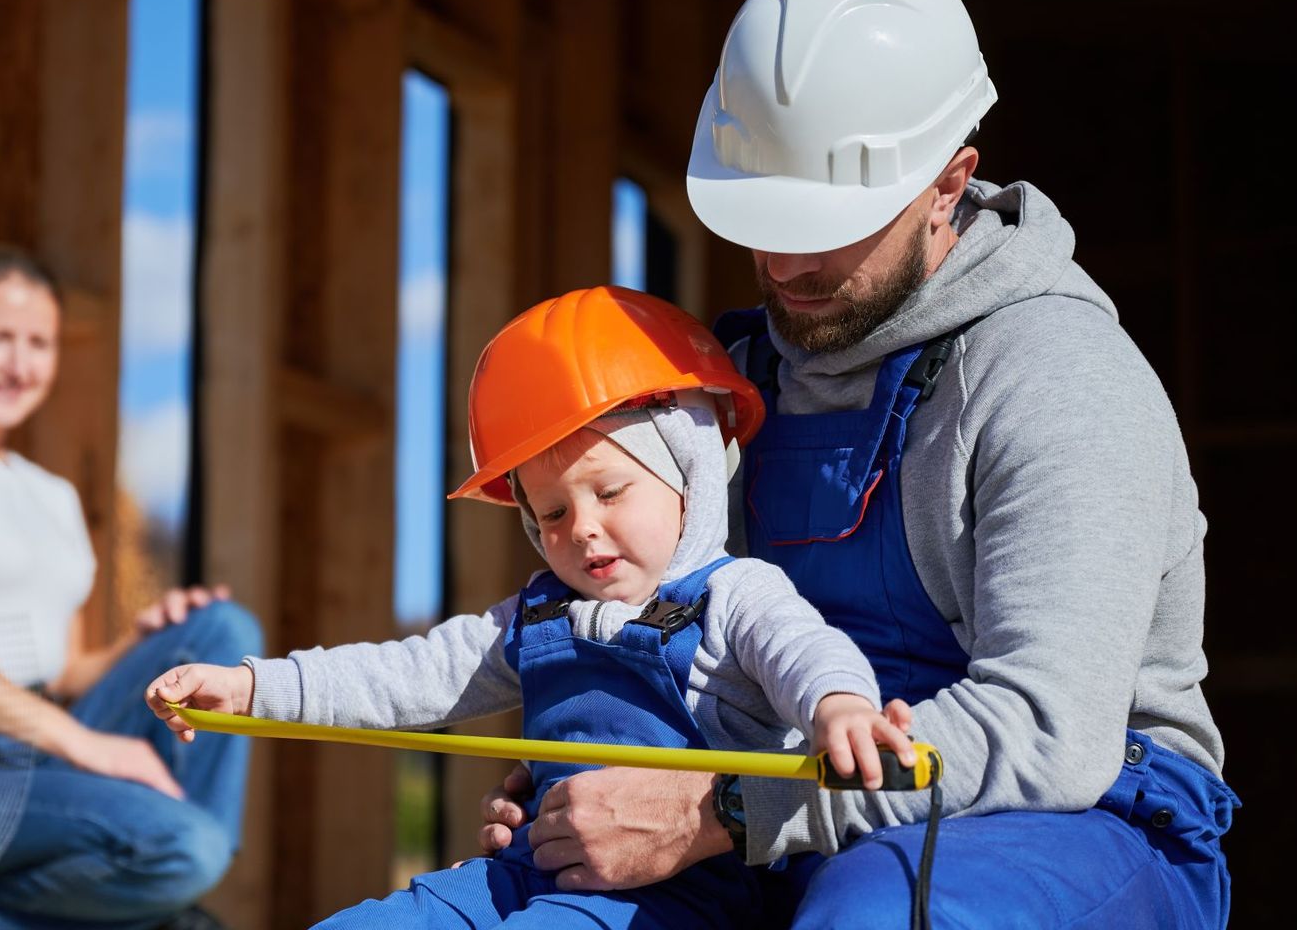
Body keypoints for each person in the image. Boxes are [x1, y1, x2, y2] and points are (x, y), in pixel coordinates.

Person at [475, 0, 1238, 927]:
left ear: (948, 184)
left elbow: (1048, 730)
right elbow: (669, 631)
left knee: (876, 910)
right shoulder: (725, 384)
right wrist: (587, 767)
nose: (786, 267)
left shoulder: (1056, 374)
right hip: (787, 815)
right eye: (763, 222)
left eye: (825, 229)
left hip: (1076, 825)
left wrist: (715, 809)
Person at [148, 287, 921, 927]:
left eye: (610, 492)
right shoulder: (534, 614)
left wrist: (839, 708)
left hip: (675, 899)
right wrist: (252, 689)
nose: (580, 528)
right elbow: (402, 677)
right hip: (528, 871)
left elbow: (802, 651)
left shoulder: (732, 596)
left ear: (690, 472)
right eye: (548, 514)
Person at [0, 246, 259, 930]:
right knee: (188, 848)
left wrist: (147, 638)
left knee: (224, 630)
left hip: (46, 751)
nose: (18, 364)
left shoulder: (54, 497)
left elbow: (67, 671)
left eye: (38, 343)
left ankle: (105, 895)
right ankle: (105, 904)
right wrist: (86, 745)